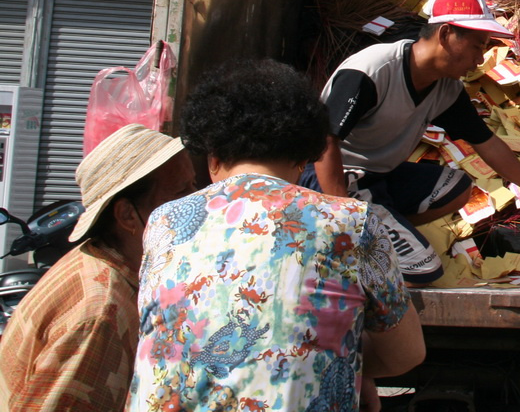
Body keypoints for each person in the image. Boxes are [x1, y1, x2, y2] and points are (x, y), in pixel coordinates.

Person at [126, 60, 423, 412]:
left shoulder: (164, 221)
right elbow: (406, 354)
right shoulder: (350, 223)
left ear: (214, 159)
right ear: (303, 159)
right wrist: (346, 363)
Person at [304, 0, 520, 284]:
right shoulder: (373, 70)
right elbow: (324, 142)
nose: (480, 58)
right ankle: (346, 248)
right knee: (424, 269)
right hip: (334, 177)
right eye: (477, 46)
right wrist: (344, 216)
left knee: (457, 187)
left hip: (380, 178)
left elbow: (486, 142)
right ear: (446, 34)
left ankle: (380, 228)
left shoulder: (445, 87)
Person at [0, 124, 195, 412]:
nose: (201, 200)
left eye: (195, 185)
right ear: (128, 215)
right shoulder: (102, 310)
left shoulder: (100, 263)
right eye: (182, 193)